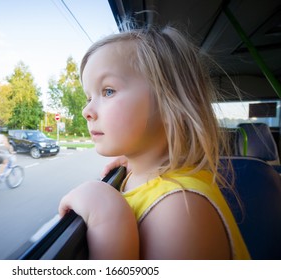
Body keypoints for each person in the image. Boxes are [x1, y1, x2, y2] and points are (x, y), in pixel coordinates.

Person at [58, 25, 250, 260]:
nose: (86, 110)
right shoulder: (142, 174)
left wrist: (108, 216)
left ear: (171, 102)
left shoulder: (180, 209)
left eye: (108, 91)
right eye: (89, 97)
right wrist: (134, 158)